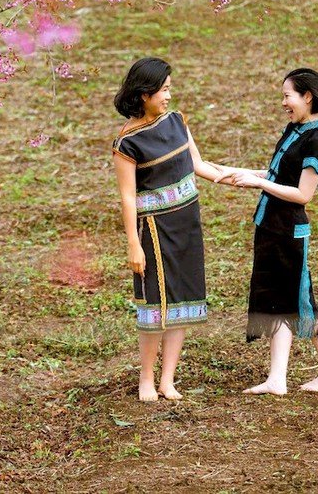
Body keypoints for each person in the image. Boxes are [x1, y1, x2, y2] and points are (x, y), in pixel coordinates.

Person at [223, 68, 318, 395]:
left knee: (301, 301)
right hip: (270, 226)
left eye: (287, 95)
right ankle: (277, 378)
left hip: (290, 232)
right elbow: (279, 173)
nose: (283, 102)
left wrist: (259, 182)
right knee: (278, 299)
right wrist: (243, 173)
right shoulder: (296, 130)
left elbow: (303, 194)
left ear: (307, 97)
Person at [112, 57, 225, 402]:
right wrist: (134, 243)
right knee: (155, 305)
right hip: (155, 230)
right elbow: (127, 197)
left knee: (182, 301)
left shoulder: (176, 121)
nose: (169, 96)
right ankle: (146, 379)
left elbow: (199, 165)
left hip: (186, 222)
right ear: (144, 94)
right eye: (164, 90)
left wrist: (249, 177)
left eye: (169, 89)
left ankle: (167, 380)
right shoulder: (127, 143)